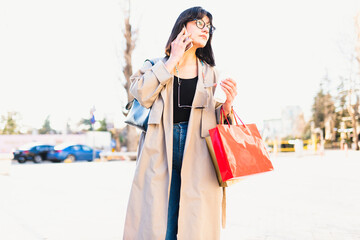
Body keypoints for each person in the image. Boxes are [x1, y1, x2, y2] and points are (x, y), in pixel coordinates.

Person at [123, 6, 237, 240]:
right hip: (159, 152)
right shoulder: (154, 65)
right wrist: (173, 59)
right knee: (159, 225)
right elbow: (141, 95)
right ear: (182, 26)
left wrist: (228, 106)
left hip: (199, 156)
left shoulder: (212, 74)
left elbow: (221, 129)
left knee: (193, 226)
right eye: (200, 23)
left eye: (209, 26)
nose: (206, 29)